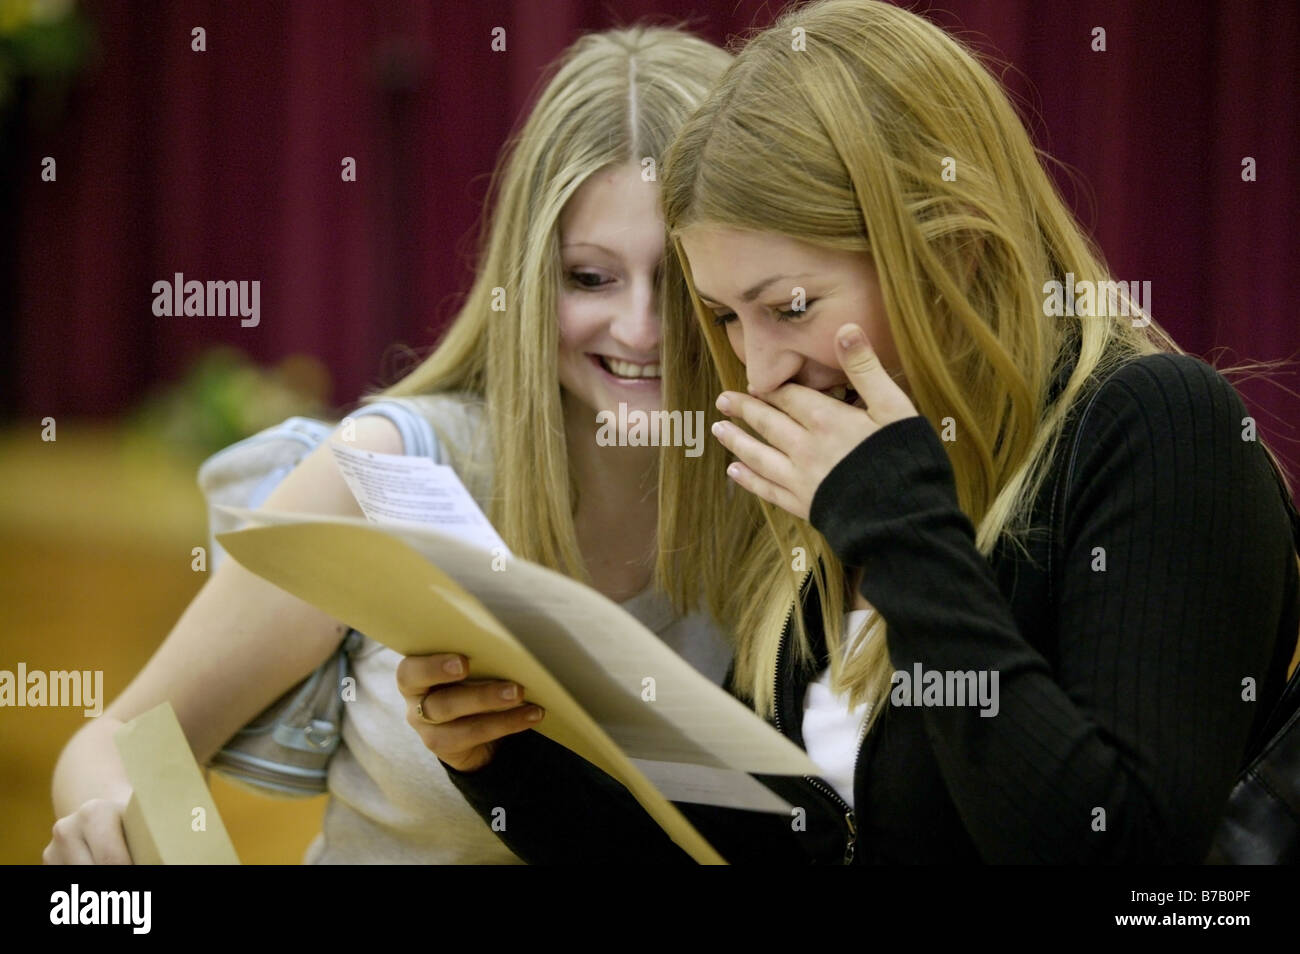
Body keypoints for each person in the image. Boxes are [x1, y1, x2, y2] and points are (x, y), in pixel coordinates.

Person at [408, 0, 1300, 864]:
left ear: (951, 252)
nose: (758, 370)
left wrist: (906, 537)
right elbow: (761, 844)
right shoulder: (863, 469)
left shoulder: (1156, 429)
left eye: (790, 306)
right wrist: (500, 762)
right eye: (723, 316)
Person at [44, 24, 733, 865]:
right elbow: (123, 739)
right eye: (590, 277)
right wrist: (124, 831)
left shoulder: (787, 491)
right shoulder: (386, 469)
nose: (639, 328)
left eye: (681, 281)